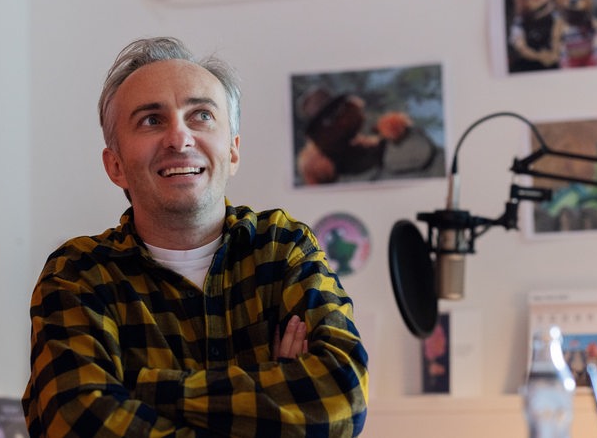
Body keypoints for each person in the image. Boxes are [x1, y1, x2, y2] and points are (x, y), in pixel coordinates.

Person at [22, 36, 369, 437]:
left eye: (201, 115)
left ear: (233, 151)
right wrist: (278, 398)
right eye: (151, 120)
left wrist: (142, 386)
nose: (179, 138)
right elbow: (75, 423)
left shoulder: (283, 248)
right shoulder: (77, 274)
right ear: (115, 165)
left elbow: (340, 400)